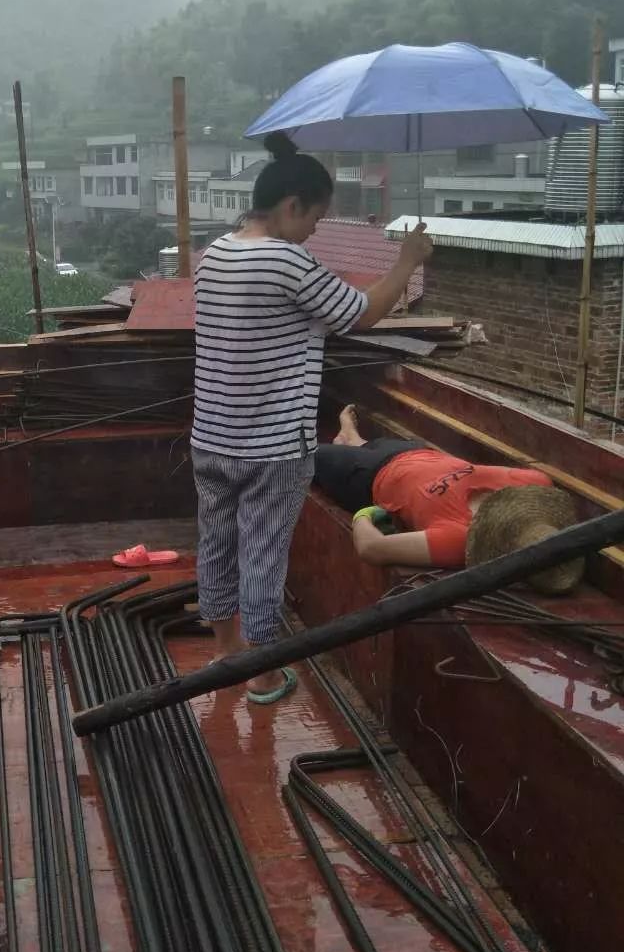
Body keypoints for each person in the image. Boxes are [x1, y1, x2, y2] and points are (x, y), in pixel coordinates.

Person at [192, 146, 433, 702]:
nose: (314, 233)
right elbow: (362, 312)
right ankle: (262, 673)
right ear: (292, 205)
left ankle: (226, 655)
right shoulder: (285, 261)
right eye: (316, 219)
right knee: (262, 554)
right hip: (271, 446)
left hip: (211, 436)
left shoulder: (215, 254)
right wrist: (408, 260)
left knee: (218, 545)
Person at [313, 405, 583, 593]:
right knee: (368, 446)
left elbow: (371, 547)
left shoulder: (459, 541)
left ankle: (346, 444)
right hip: (415, 452)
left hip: (367, 477)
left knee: (302, 455)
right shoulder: (531, 484)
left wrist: (365, 514)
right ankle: (350, 438)